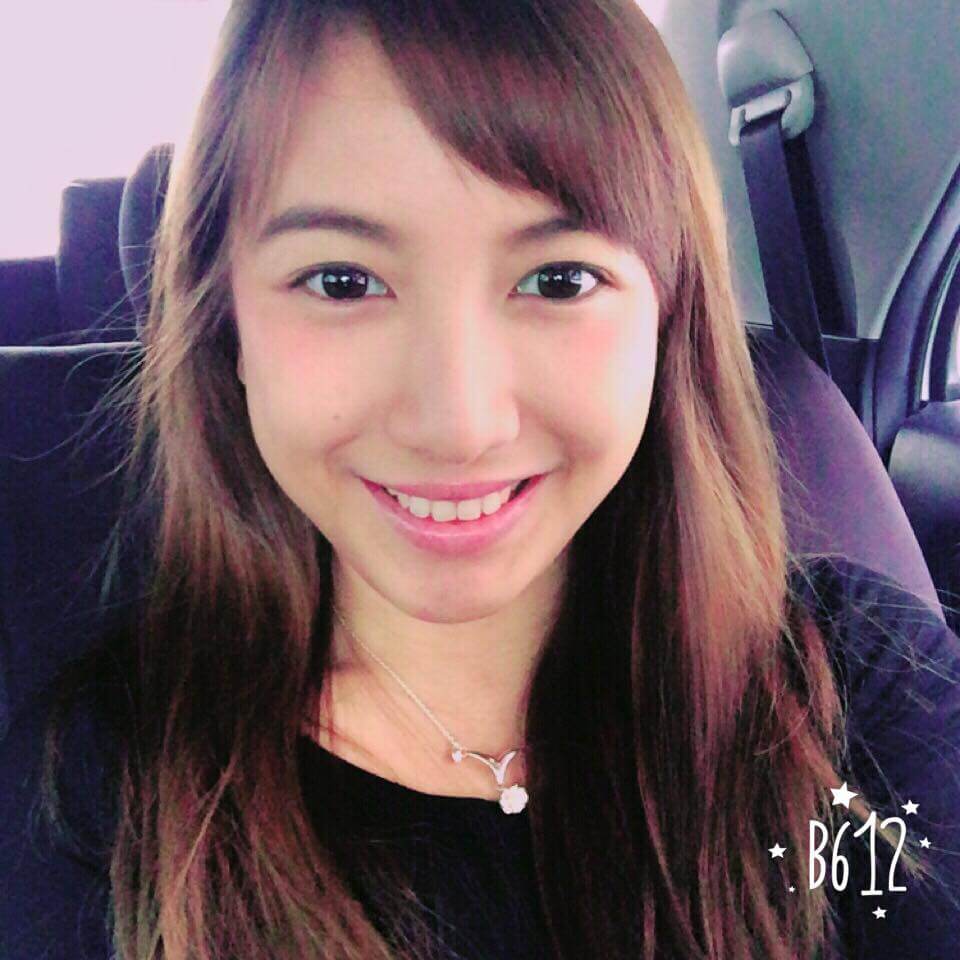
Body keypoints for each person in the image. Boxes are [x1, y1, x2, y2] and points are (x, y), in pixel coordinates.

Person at [2, 1, 960, 958]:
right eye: (341, 282)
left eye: (558, 281)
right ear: (228, 328)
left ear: (666, 320)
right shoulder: (103, 801)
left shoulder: (853, 691)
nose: (457, 426)